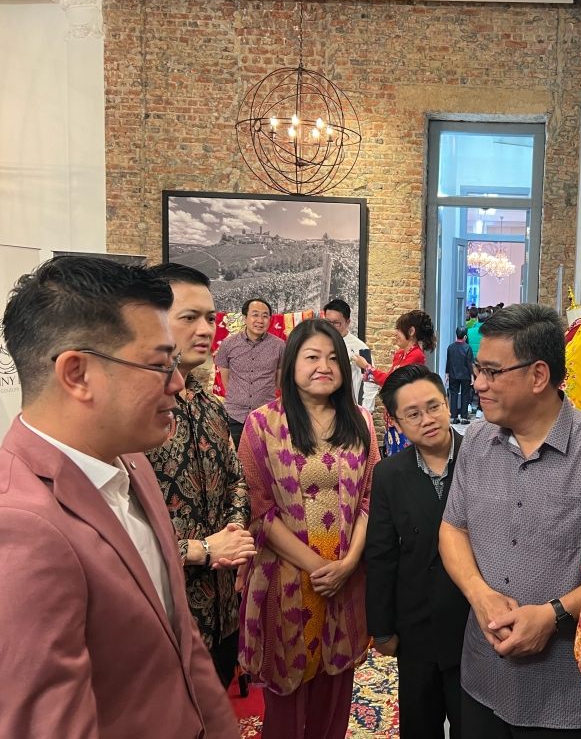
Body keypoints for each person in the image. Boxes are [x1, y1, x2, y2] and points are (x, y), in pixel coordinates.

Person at [0, 256, 238, 739]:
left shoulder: (131, 463)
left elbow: (182, 639)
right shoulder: (23, 525)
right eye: (157, 365)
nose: (176, 383)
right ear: (77, 374)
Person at [439, 304, 581, 737]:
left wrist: (554, 615)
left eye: (492, 372)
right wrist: (479, 595)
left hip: (564, 693)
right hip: (481, 676)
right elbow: (453, 528)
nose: (477, 383)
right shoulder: (476, 439)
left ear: (538, 375)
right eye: (478, 369)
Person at [238, 318, 379, 739]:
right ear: (291, 364)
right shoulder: (262, 424)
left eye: (334, 357)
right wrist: (319, 567)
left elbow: (371, 498)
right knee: (286, 699)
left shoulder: (362, 422)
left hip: (346, 576)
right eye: (312, 356)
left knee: (335, 696)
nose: (325, 366)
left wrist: (349, 562)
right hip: (287, 578)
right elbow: (260, 509)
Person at [146, 263, 257, 688]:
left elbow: (238, 480)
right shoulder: (136, 416)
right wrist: (201, 548)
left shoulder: (210, 408)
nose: (205, 329)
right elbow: (117, 530)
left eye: (210, 318)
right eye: (189, 317)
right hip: (165, 617)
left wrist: (233, 529)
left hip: (222, 612)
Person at [365, 364, 470, 739]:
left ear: (447, 403)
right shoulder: (390, 474)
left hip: (473, 624)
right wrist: (381, 628)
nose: (427, 420)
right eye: (413, 414)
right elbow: (380, 553)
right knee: (419, 723)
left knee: (471, 725)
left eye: (434, 407)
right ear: (395, 421)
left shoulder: (482, 460)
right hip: (416, 622)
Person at [352, 309, 437, 456]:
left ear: (411, 331)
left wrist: (367, 367)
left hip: (405, 416)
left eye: (398, 328)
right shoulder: (399, 355)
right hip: (392, 415)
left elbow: (394, 382)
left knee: (402, 458)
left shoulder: (417, 355)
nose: (395, 333)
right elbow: (389, 381)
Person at [215, 297, 285, 449]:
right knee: (235, 463)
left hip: (266, 416)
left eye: (265, 316)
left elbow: (278, 381)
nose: (260, 320)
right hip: (234, 415)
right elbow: (225, 378)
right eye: (255, 314)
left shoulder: (279, 346)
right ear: (245, 317)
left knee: (265, 464)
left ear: (270, 319)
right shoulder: (228, 344)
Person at [323, 298, 378, 413]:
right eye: (328, 322)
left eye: (336, 323)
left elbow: (370, 380)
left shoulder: (361, 348)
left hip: (346, 409)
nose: (331, 327)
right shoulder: (319, 343)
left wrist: (366, 411)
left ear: (348, 322)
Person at [445, 326, 473, 424]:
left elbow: (448, 361)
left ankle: (454, 416)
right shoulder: (467, 348)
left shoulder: (450, 347)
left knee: (453, 394)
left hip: (453, 374)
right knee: (465, 394)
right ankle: (464, 417)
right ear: (465, 336)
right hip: (465, 375)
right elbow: (470, 363)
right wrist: (472, 376)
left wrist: (447, 374)